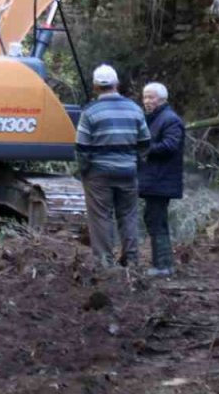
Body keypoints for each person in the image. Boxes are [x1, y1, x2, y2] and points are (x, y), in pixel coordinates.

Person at [75, 64, 150, 268]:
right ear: (117, 84)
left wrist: (84, 170)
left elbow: (82, 147)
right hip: (128, 171)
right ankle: (132, 260)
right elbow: (145, 143)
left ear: (95, 87)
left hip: (99, 173)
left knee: (101, 216)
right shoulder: (135, 109)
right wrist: (135, 162)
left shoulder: (90, 112)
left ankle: (105, 262)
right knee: (128, 215)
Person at [139, 82, 185, 277]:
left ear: (163, 99)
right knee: (154, 219)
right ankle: (162, 264)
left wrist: (145, 150)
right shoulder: (153, 118)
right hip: (155, 179)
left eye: (151, 97)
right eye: (145, 97)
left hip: (161, 179)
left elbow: (170, 145)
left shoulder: (170, 120)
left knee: (156, 220)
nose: (147, 101)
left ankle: (163, 265)